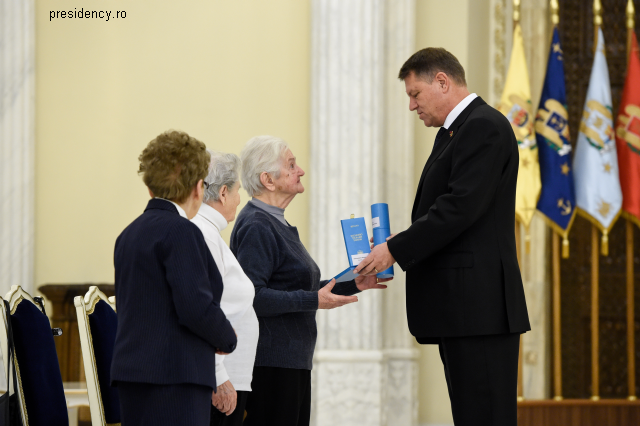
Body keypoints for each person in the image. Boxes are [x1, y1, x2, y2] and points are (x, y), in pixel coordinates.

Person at [355, 48, 530, 426]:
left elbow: (459, 208)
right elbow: (456, 212)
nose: (412, 106)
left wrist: (395, 250)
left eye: (415, 94)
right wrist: (402, 239)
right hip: (464, 310)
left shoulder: (482, 125)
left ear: (442, 81)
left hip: (479, 310)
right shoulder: (456, 131)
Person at [230, 135, 390, 426]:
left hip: (290, 360)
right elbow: (254, 297)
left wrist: (357, 280)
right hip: (270, 362)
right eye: (291, 165)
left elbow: (297, 288)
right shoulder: (256, 225)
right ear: (268, 179)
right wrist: (314, 300)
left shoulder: (275, 222)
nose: (300, 170)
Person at [111, 130, 237, 426]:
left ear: (150, 185)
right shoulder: (182, 231)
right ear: (197, 187)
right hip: (174, 376)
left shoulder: (129, 234)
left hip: (134, 376)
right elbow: (194, 305)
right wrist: (226, 338)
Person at [191, 151, 259, 426]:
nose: (240, 199)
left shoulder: (210, 233)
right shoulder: (203, 234)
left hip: (230, 371)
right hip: (220, 376)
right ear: (222, 193)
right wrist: (218, 376)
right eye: (238, 190)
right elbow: (206, 310)